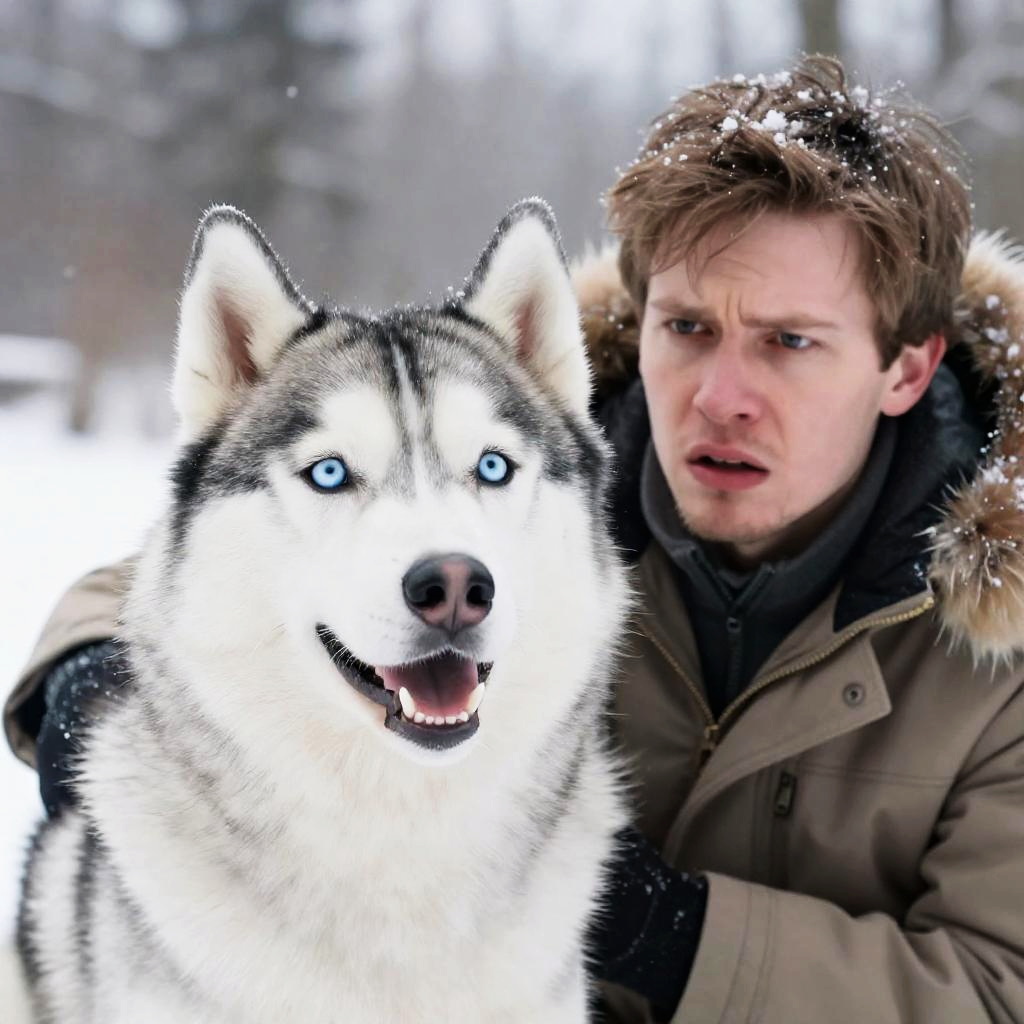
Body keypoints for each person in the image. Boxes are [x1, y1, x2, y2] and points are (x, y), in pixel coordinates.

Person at [6, 55, 1024, 1022]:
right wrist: (87, 678)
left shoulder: (1004, 655)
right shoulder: (533, 470)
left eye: (788, 341)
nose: (720, 397)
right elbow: (221, 564)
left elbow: (996, 992)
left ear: (905, 367)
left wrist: (667, 936)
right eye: (687, 328)